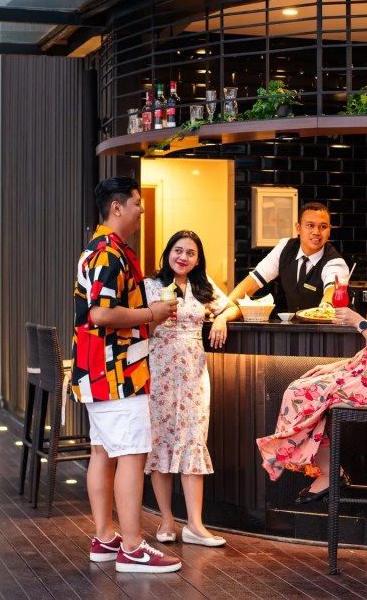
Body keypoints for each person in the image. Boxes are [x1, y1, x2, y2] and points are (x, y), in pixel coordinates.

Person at [256, 222, 367, 500]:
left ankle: (326, 473)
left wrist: (358, 321)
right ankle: (326, 471)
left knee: (299, 392)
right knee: (308, 382)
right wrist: (334, 366)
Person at [70, 176, 182, 573]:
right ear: (116, 207)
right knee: (132, 455)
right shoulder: (108, 252)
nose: (142, 210)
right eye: (137, 203)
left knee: (103, 452)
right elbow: (101, 313)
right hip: (117, 371)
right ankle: (133, 548)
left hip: (98, 369)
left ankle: (105, 538)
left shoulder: (99, 248)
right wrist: (152, 313)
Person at [144, 230, 240, 548]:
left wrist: (222, 319)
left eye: (190, 253)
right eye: (178, 250)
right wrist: (157, 315)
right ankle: (166, 520)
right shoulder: (150, 286)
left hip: (194, 374)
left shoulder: (203, 286)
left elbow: (232, 307)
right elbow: (140, 329)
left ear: (198, 259)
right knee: (161, 441)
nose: (183, 257)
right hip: (159, 371)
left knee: (193, 441)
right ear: (167, 253)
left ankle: (195, 525)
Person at [228, 202, 350, 312]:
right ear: (298, 228)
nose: (316, 232)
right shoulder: (285, 247)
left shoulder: (335, 262)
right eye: (310, 225)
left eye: (323, 227)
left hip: (330, 327)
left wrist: (326, 306)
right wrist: (226, 306)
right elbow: (254, 280)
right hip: (297, 326)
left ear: (329, 230)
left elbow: (332, 288)